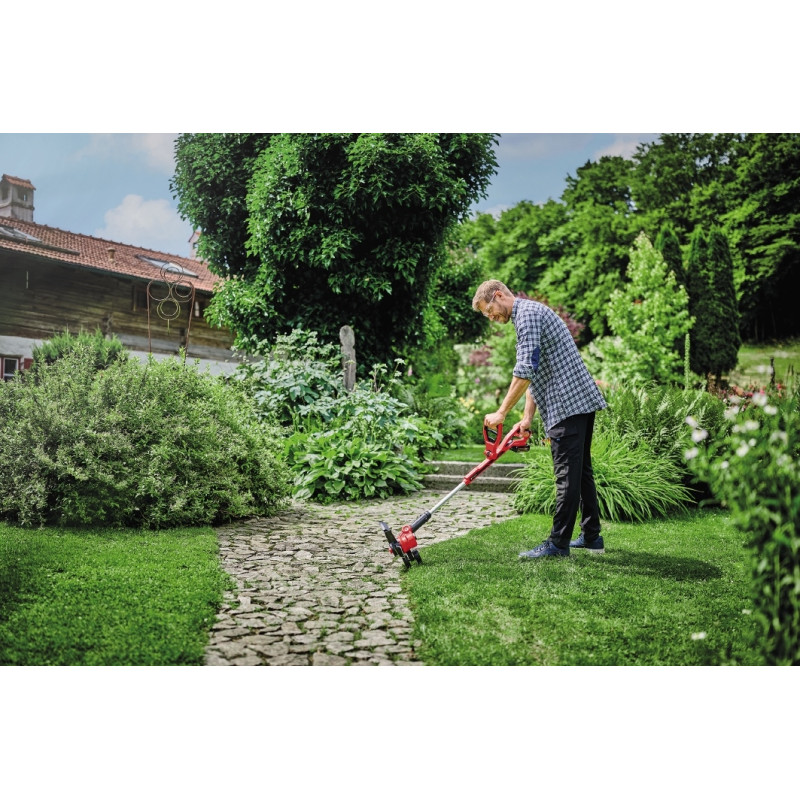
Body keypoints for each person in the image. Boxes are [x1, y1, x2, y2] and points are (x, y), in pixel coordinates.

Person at [472, 280, 607, 559]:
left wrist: (501, 412)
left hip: (566, 404)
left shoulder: (528, 316)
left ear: (498, 295)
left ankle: (558, 544)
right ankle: (592, 536)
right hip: (577, 401)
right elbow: (536, 371)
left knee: (566, 476)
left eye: (489, 311)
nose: (491, 318)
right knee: (581, 473)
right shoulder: (528, 314)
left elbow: (524, 369)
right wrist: (526, 417)